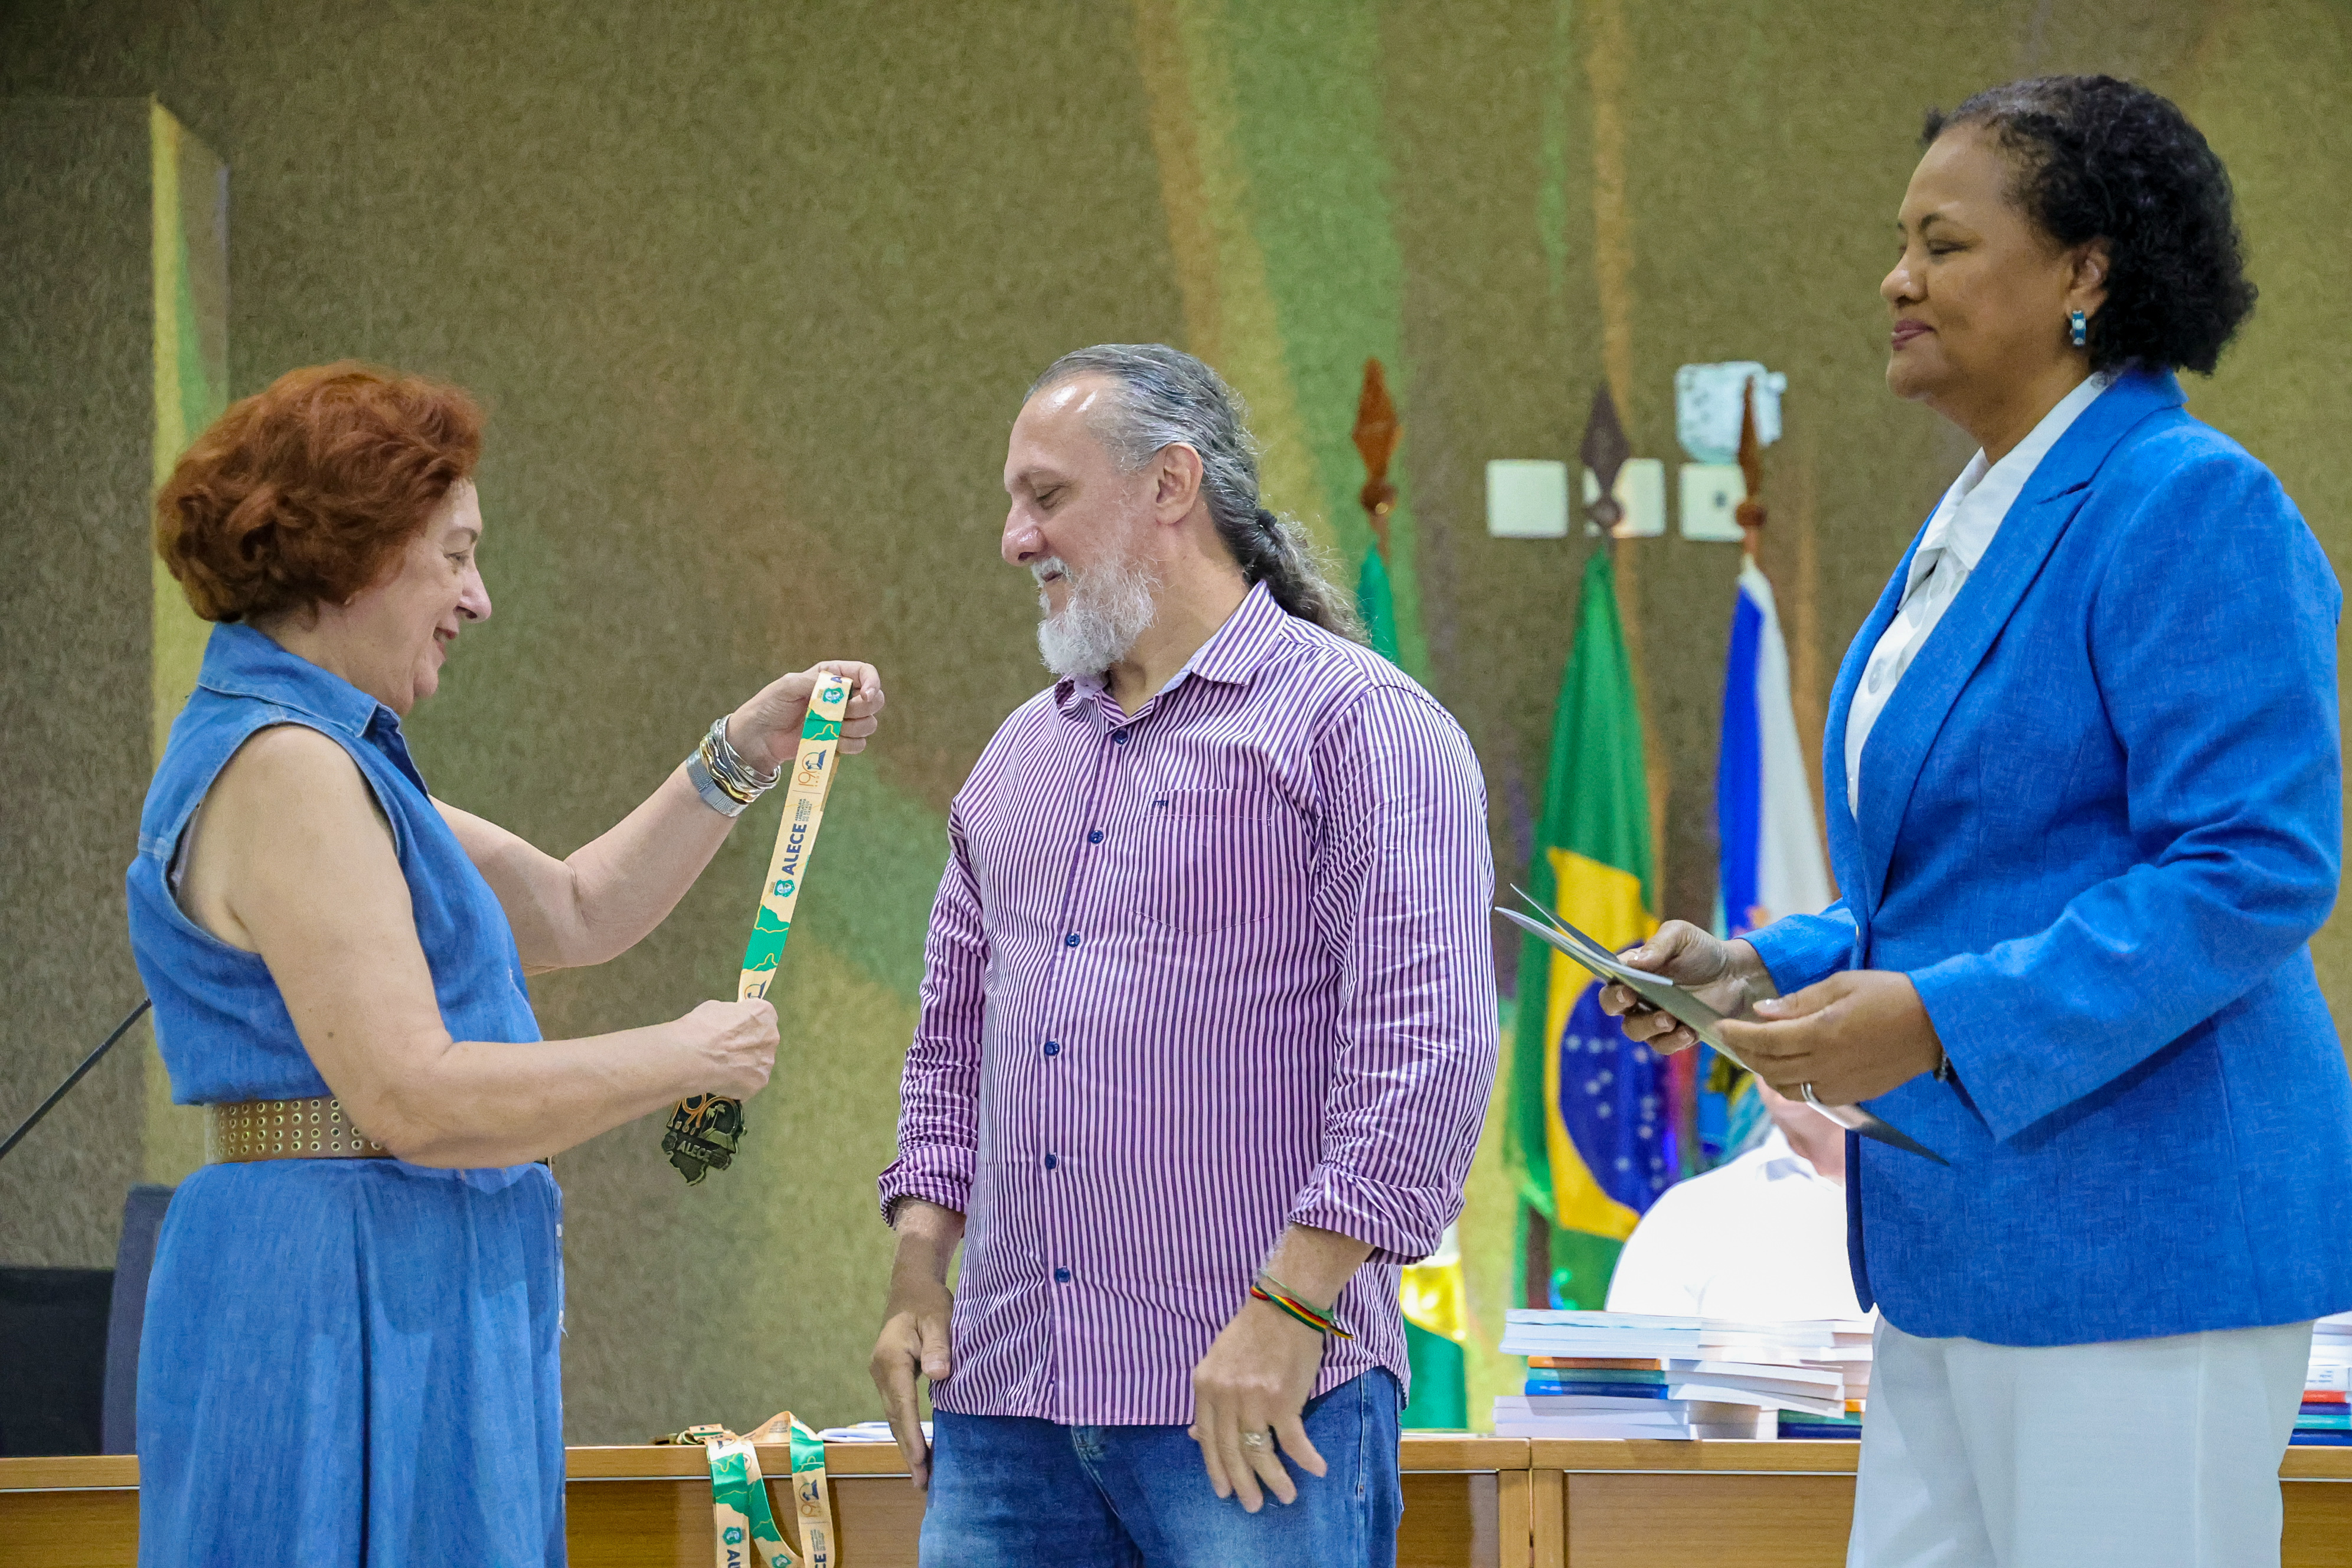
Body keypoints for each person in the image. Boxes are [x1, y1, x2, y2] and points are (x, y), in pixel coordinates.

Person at [1604, 77, 2350, 1568]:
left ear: (2085, 271)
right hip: (1960, 1241)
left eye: (1943, 244)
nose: (1897, 280)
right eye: (1901, 244)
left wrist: (1939, 1020)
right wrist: (1768, 970)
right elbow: (1965, 874)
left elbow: (2253, 867)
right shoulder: (1981, 509)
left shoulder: (2187, 500)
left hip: (2143, 1240)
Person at [129, 362, 884, 1567]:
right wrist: (682, 1055)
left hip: (402, 1269)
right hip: (336, 1283)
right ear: (355, 554)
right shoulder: (288, 767)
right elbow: (412, 1096)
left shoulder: (330, 758)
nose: (478, 599)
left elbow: (578, 907)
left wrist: (743, 751)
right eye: (457, 555)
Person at [868, 344, 1497, 1567]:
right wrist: (915, 1274)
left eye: (1046, 496)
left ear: (1170, 484)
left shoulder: (1360, 726)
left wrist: (1290, 1305)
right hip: (1006, 1412)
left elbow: (1423, 1054)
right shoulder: (1015, 759)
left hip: (1256, 1392)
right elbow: (947, 1052)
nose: (1013, 538)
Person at [1605, 1079, 1861, 1324]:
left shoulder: (1892, 1194)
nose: (1783, 1055)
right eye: (1762, 1044)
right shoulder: (1685, 1213)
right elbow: (1633, 1351)